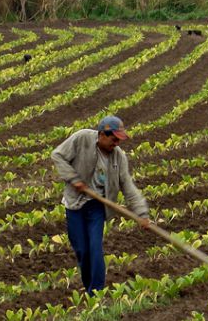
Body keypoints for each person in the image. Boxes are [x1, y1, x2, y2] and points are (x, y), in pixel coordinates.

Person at [51, 116, 151, 295]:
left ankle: (96, 293)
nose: (117, 143)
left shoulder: (118, 157)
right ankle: (90, 289)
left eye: (119, 140)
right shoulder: (82, 138)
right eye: (114, 139)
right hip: (75, 204)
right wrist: (74, 179)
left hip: (97, 206)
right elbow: (57, 155)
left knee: (95, 248)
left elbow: (128, 186)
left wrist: (142, 213)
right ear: (102, 134)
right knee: (82, 250)